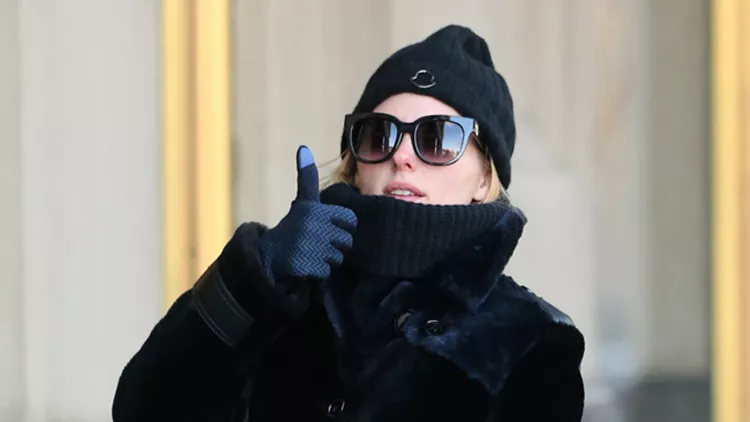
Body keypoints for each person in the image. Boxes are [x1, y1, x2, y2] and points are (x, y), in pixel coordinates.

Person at [113, 25, 585, 421]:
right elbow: (145, 409)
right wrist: (254, 278)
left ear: (485, 176)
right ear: (355, 162)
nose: (402, 156)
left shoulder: (529, 340)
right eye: (380, 134)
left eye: (437, 138)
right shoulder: (292, 300)